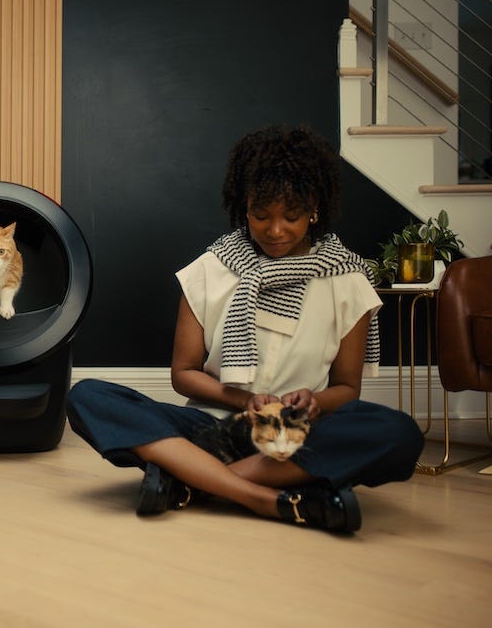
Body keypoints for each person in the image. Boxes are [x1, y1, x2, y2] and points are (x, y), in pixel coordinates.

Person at [67, 125, 425, 533]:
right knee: (88, 396)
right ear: (243, 205)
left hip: (295, 433)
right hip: (211, 425)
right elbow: (184, 374)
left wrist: (313, 401)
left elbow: (347, 388)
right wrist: (246, 400)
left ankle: (189, 481)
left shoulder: (348, 282)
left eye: (292, 216)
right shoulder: (209, 271)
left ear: (314, 210)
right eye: (261, 215)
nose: (276, 231)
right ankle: (269, 499)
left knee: (399, 433)